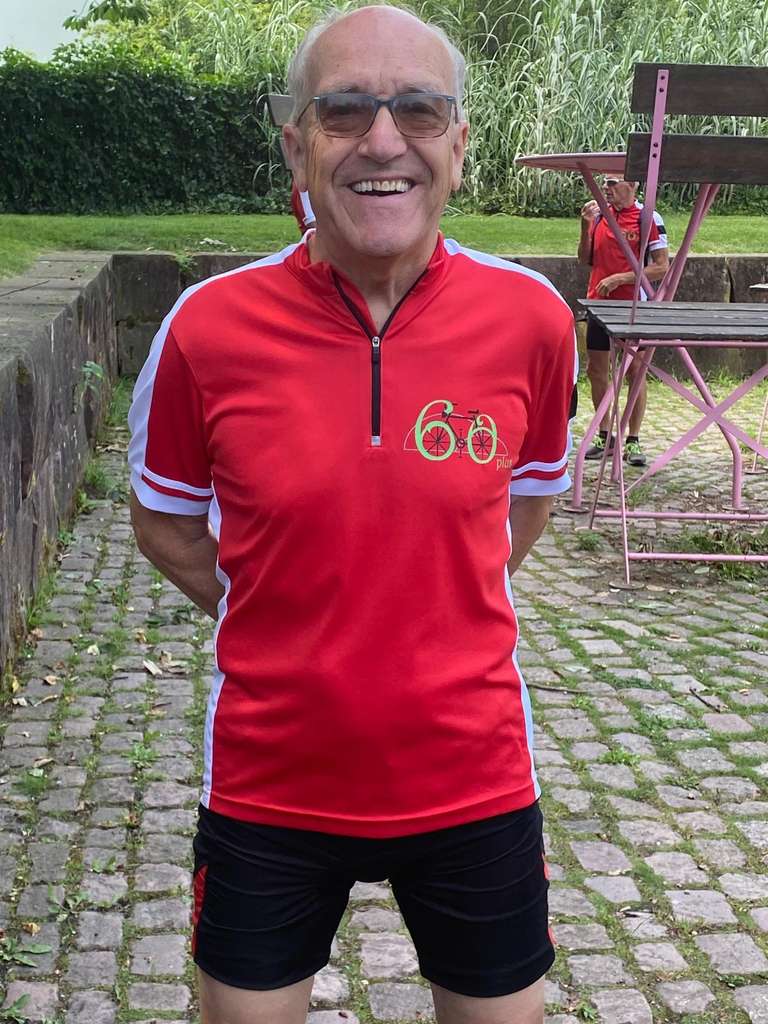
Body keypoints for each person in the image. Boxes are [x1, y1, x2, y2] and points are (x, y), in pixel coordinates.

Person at [127, 7, 576, 1023]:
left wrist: (431, 596)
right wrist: (282, 610)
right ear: (297, 145)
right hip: (270, 785)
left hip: (474, 778)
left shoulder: (532, 322)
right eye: (343, 111)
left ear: (458, 145)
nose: (383, 141)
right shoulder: (206, 330)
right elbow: (163, 523)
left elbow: (531, 494)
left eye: (418, 110)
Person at [578, 177, 669, 466]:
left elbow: (661, 267)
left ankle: (633, 439)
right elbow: (585, 259)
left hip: (633, 306)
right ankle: (605, 436)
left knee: (635, 371)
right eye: (604, 183)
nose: (606, 188)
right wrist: (584, 226)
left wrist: (622, 278)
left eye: (613, 182)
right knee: (596, 370)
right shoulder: (598, 215)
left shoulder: (648, 217)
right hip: (598, 303)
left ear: (633, 185)